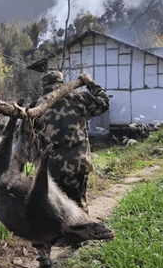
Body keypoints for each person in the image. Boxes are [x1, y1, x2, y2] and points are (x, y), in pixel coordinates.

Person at [30, 70, 109, 213]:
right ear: (61, 83)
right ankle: (81, 231)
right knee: (77, 206)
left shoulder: (37, 106)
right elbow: (104, 103)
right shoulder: (78, 97)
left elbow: (28, 137)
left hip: (50, 168)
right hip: (77, 164)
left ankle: (58, 234)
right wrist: (90, 83)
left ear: (44, 86)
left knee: (55, 209)